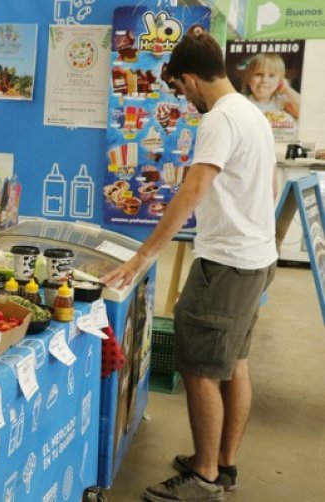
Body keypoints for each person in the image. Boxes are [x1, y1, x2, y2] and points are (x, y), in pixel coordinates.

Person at [102, 33, 277, 502]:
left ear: (192, 78)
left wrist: (144, 254)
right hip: (256, 259)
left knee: (199, 369)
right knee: (234, 363)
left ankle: (203, 477)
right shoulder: (252, 114)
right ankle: (223, 464)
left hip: (224, 265)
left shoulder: (219, 119)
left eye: (181, 88)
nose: (184, 98)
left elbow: (194, 189)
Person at [240, 53, 300, 139]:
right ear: (249, 80)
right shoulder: (243, 102)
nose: (264, 80)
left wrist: (287, 89)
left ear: (279, 82)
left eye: (271, 75)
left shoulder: (280, 101)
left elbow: (303, 112)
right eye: (259, 74)